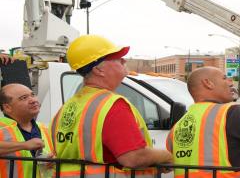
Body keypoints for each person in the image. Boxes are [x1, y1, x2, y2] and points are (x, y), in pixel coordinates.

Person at [51, 35, 173, 177]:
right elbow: (133, 157)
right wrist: (167, 157)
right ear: (98, 70)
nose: (124, 60)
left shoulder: (67, 107)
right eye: (117, 58)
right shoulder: (110, 105)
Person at [0, 83, 54, 177]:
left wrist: (52, 161)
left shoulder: (45, 128)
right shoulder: (2, 126)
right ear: (7, 107)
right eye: (24, 98)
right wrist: (24, 145)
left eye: (32, 95)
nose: (33, 100)